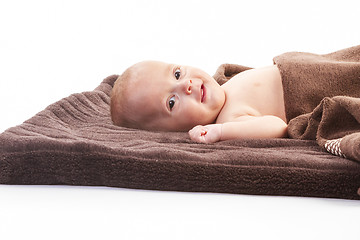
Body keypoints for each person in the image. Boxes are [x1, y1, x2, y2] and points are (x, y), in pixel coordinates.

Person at [110, 61, 288, 143]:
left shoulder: (225, 85)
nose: (185, 85)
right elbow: (277, 127)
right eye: (171, 102)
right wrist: (221, 132)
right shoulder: (230, 119)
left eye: (177, 74)